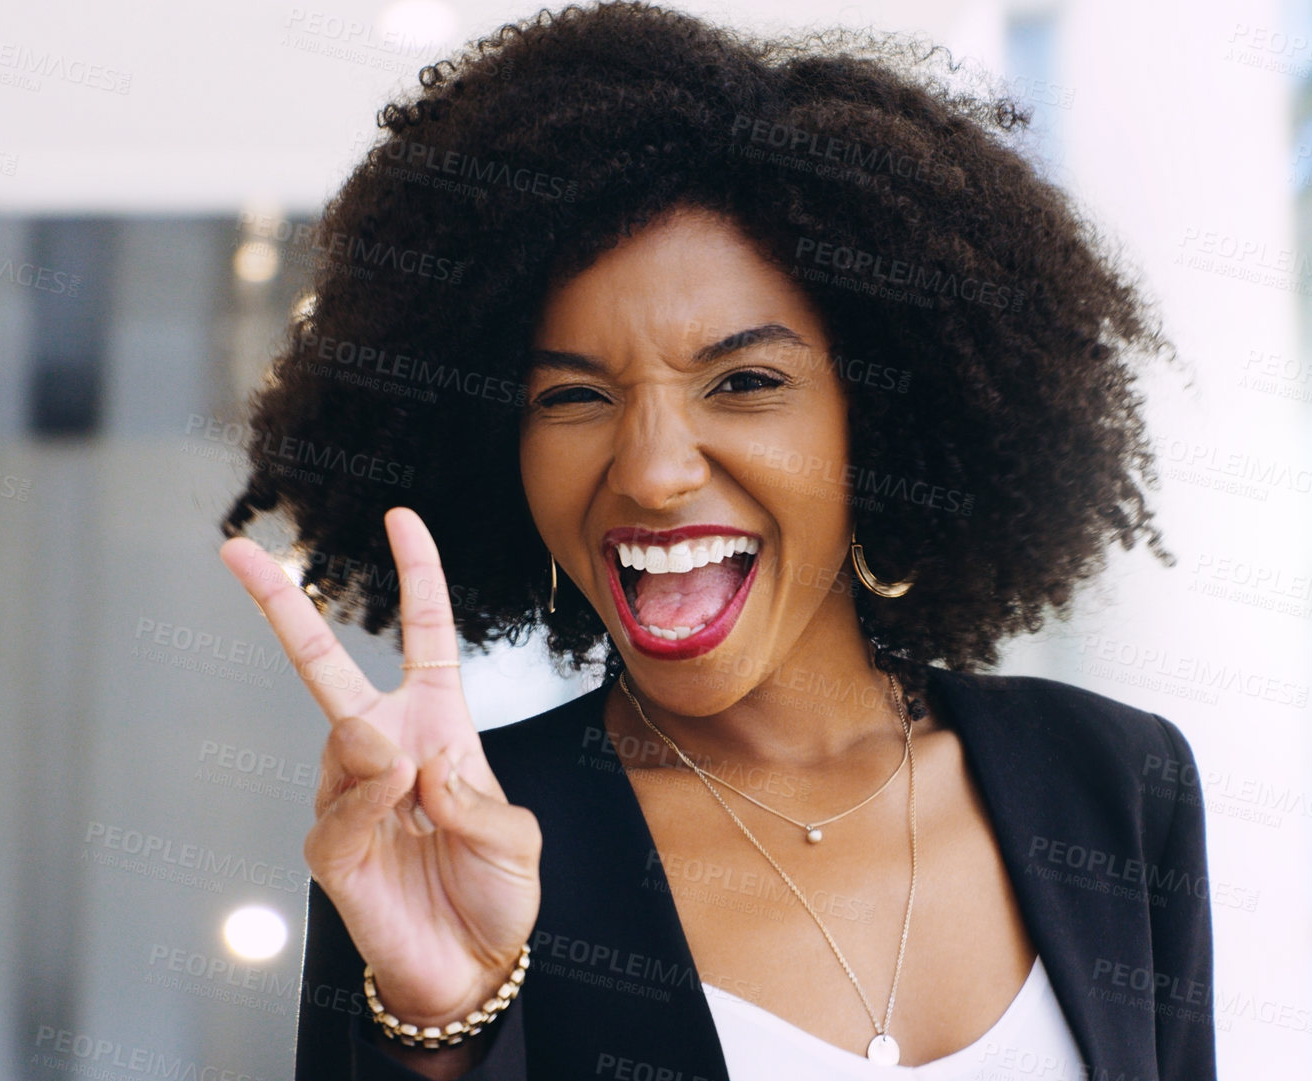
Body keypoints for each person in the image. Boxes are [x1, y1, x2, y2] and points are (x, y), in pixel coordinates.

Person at [215, 3, 1213, 1078]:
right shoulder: (452, 828)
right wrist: (442, 1026)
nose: (649, 470)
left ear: (881, 416)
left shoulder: (1112, 781)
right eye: (574, 396)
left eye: (743, 382)